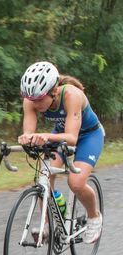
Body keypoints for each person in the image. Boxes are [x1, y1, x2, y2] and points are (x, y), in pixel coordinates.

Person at [18, 61, 104, 243]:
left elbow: (72, 138)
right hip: (60, 135)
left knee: (76, 182)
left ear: (54, 91)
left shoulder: (72, 95)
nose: (36, 103)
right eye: (32, 99)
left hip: (89, 136)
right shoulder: (30, 100)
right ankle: (47, 223)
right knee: (44, 176)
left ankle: (94, 216)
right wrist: (26, 138)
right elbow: (29, 132)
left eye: (40, 99)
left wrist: (44, 136)